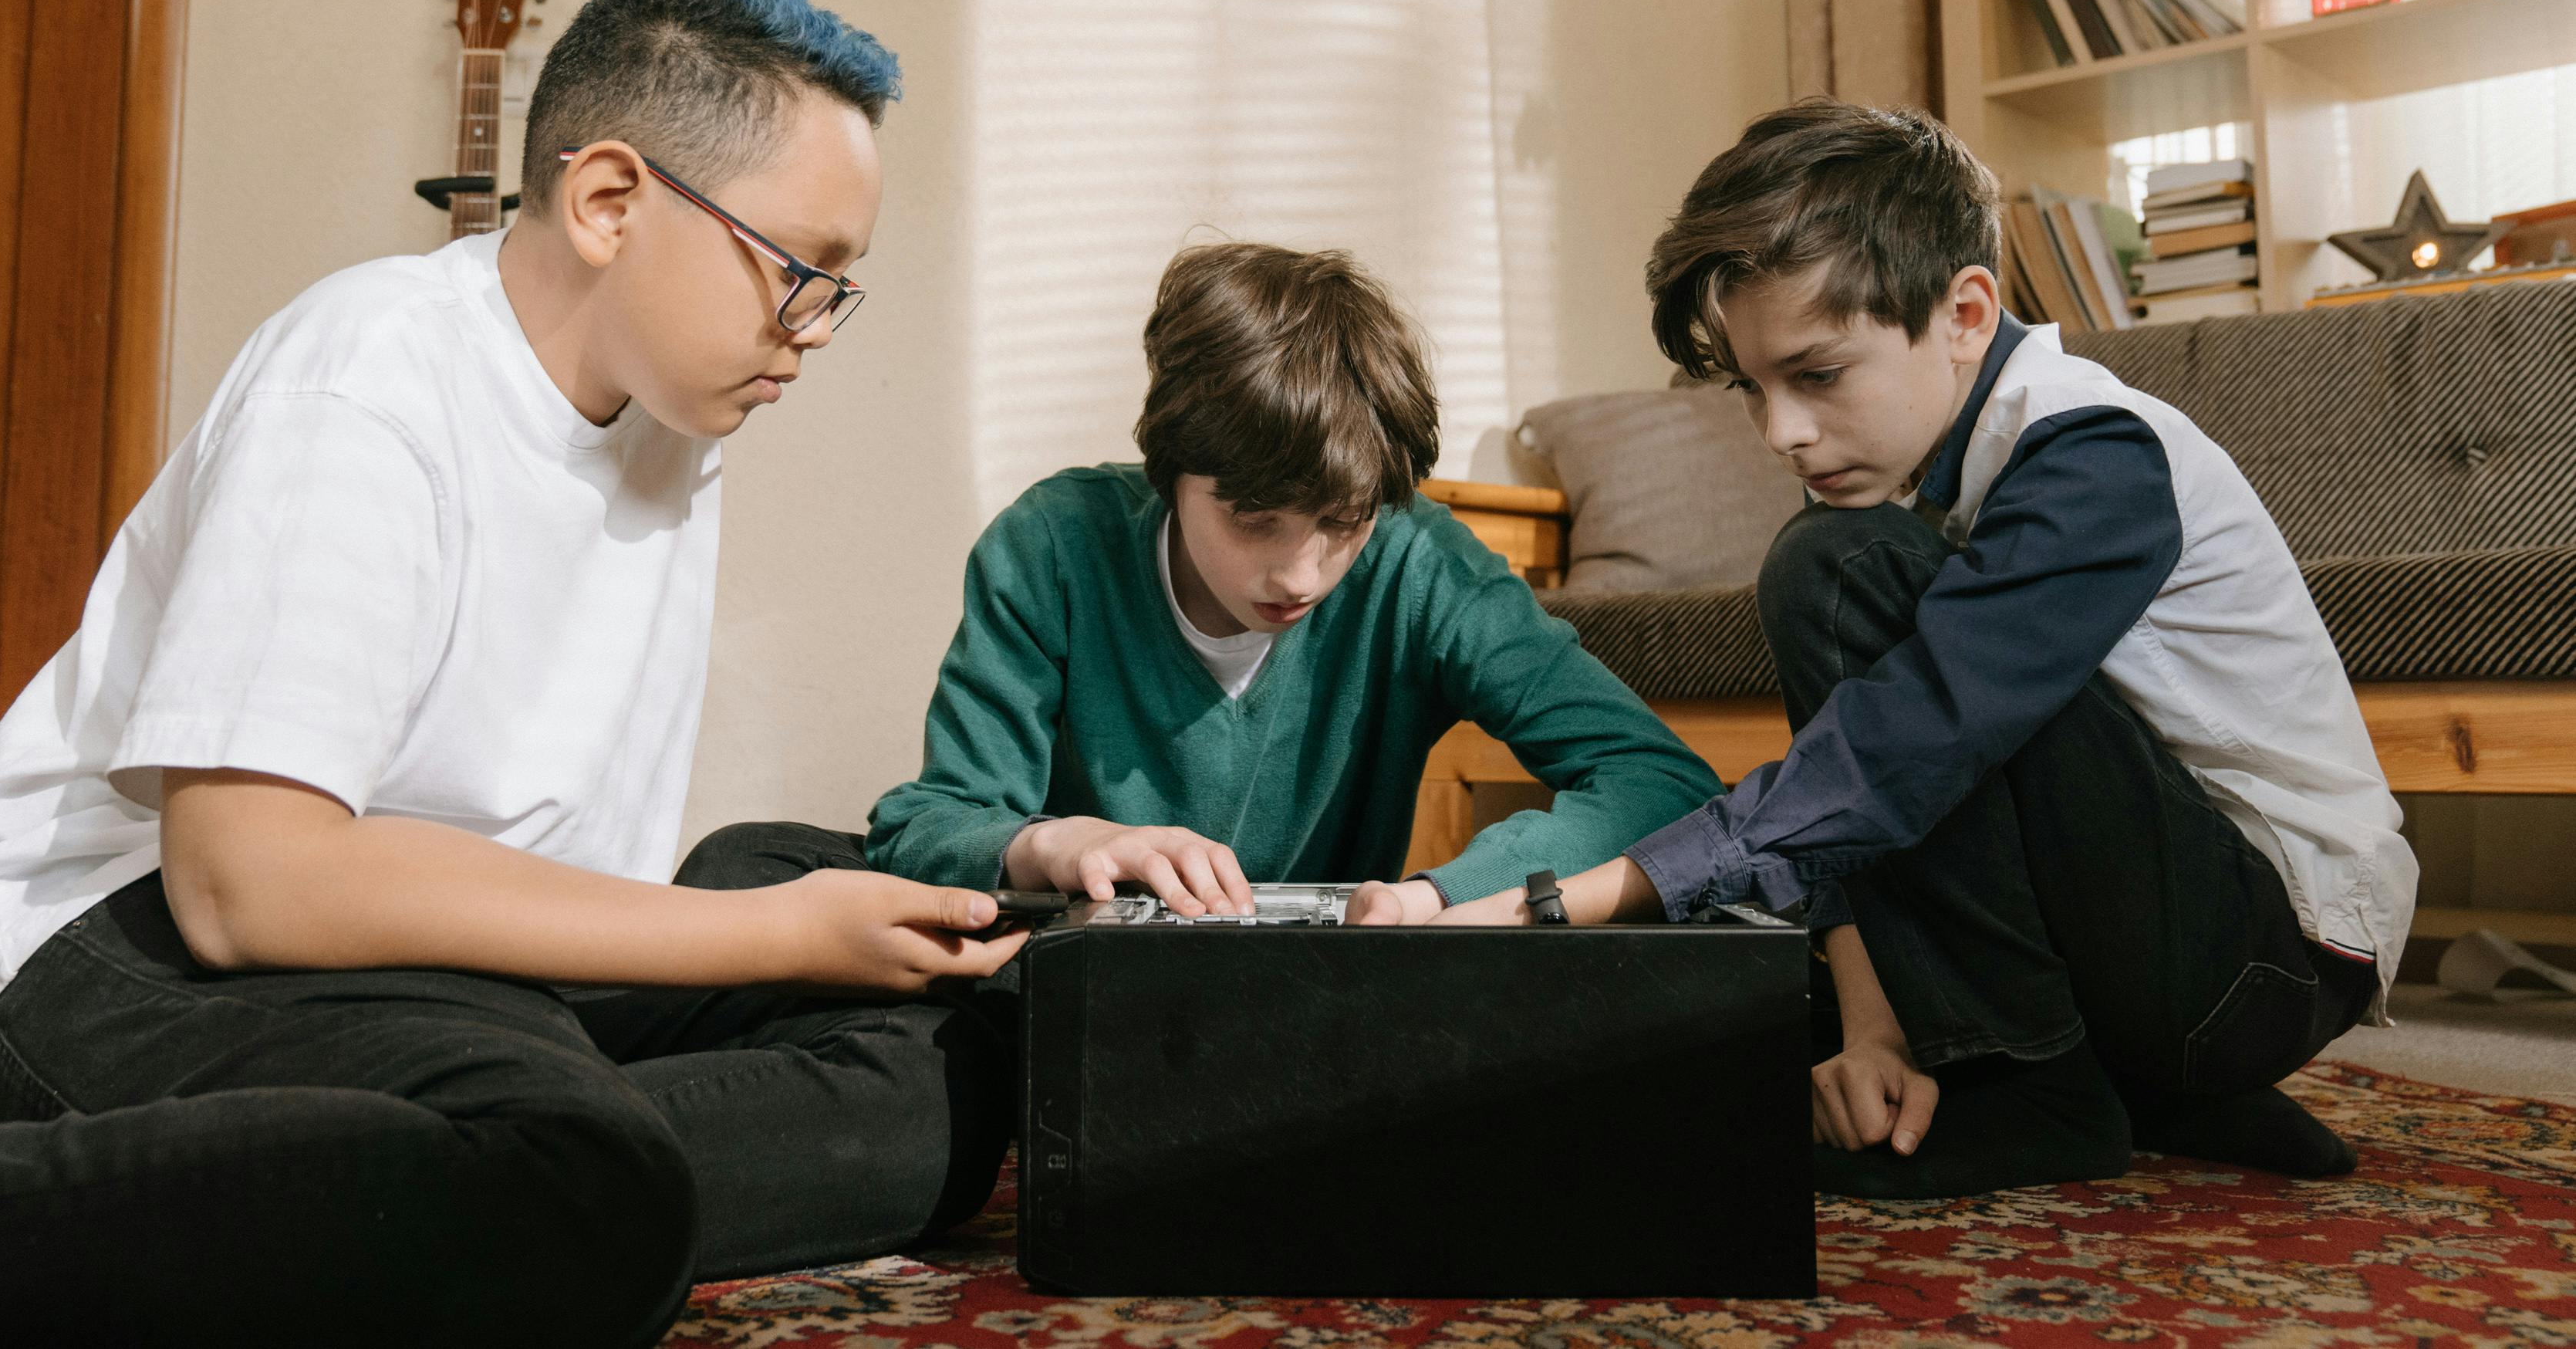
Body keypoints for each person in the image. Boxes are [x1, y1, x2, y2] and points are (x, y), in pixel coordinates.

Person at [0, 0, 1024, 1349]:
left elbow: (575, 875)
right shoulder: (364, 381)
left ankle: (439, 1164)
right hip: (116, 951)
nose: (814, 331)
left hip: (430, 967)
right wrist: (764, 933)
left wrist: (791, 920)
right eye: (802, 274)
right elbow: (252, 882)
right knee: (601, 1161)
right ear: (610, 201)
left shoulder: (674, 426)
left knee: (942, 1040)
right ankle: (520, 1162)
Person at [1446, 100, 2416, 1198]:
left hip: (2269, 954)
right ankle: (2138, 1090)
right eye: (1754, 389)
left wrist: (1561, 901)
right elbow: (1873, 799)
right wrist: (1873, 1030)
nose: (1783, 434)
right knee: (1716, 999)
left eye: (1817, 376)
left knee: (1831, 567)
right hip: (2149, 945)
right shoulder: (1932, 480)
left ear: (1964, 312)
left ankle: (2043, 1095)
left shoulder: (2093, 453)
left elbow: (1905, 749)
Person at [864, 240, 1720, 926]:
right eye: (1253, 518)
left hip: (1318, 1010)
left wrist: (1440, 893)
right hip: (1082, 1004)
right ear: (1170, 472)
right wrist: (1057, 841)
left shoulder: (1418, 556)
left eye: (1344, 521)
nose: (1299, 575)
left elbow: (1658, 776)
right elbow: (925, 826)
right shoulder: (1052, 544)